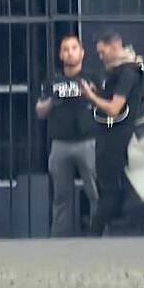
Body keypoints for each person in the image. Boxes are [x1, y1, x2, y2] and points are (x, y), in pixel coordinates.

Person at [80, 30, 144, 236]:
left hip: (117, 135)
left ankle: (97, 229)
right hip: (107, 133)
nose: (100, 56)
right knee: (107, 184)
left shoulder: (128, 72)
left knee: (110, 186)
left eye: (102, 51)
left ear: (115, 45)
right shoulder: (114, 71)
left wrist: (91, 96)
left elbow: (114, 108)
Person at [35, 34, 99, 238]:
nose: (70, 52)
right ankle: (60, 239)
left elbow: (107, 106)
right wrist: (51, 101)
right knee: (61, 196)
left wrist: (92, 95)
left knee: (95, 192)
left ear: (82, 52)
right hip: (60, 144)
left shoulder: (93, 78)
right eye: (65, 49)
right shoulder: (52, 81)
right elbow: (40, 111)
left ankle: (99, 233)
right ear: (60, 55)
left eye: (73, 48)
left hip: (87, 142)